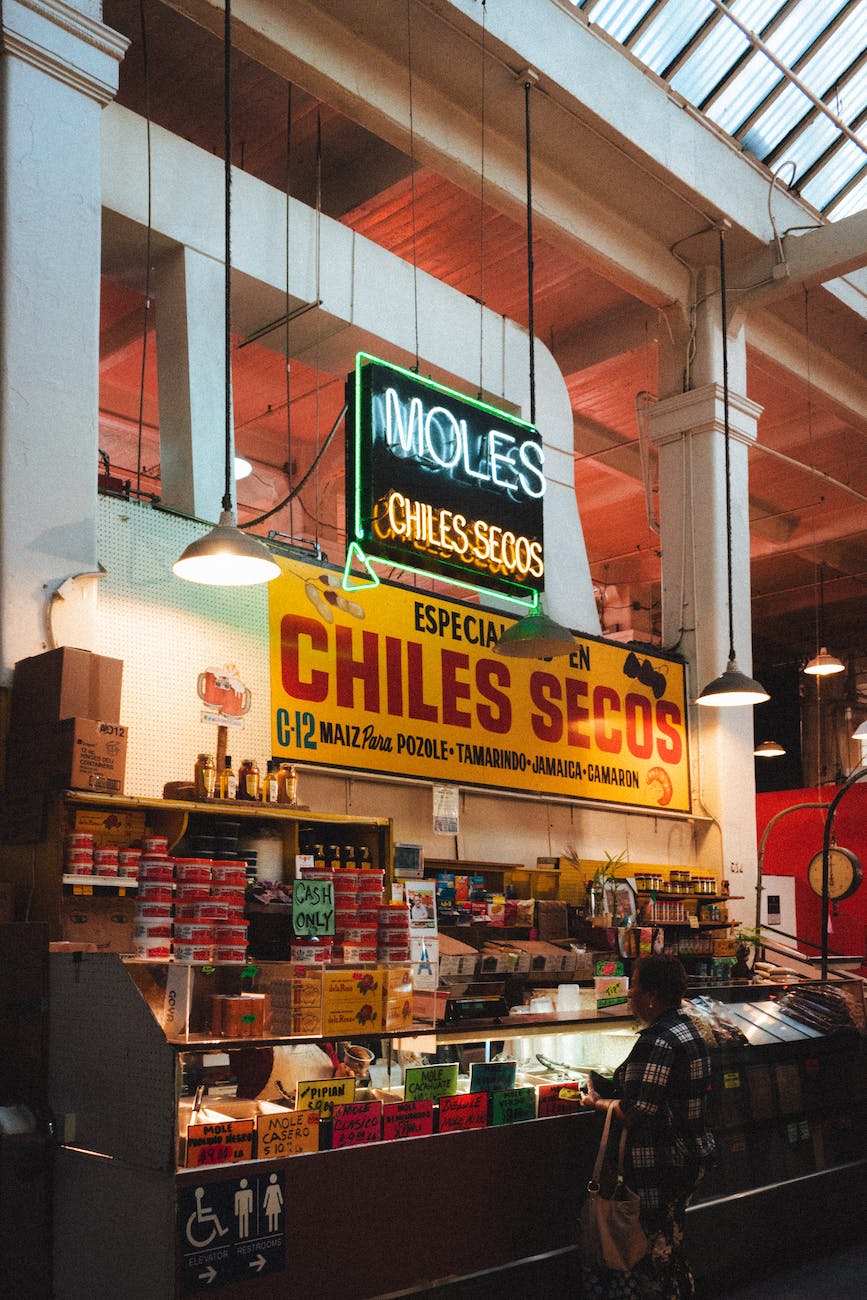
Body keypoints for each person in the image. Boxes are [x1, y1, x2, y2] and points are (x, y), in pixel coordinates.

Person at [580, 954, 715, 1298]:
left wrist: (595, 1102)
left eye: (635, 985)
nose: (630, 994)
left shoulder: (657, 1040)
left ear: (652, 994)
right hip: (690, 1156)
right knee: (669, 1243)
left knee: (654, 1250)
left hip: (660, 1162)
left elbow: (636, 1111)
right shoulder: (690, 1031)